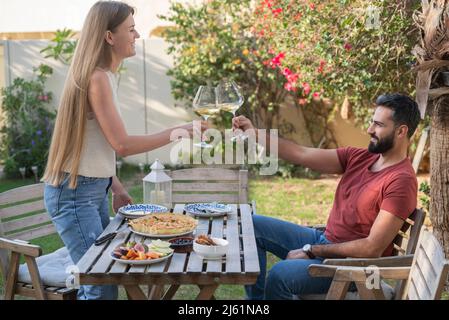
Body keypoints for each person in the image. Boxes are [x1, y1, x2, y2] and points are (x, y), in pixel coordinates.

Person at [42, 1, 206, 300]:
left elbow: (95, 143)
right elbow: (123, 145)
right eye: (130, 29)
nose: (137, 35)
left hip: (89, 189)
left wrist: (114, 184)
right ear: (109, 37)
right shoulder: (98, 78)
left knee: (109, 277)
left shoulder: (104, 76)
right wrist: (181, 131)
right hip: (75, 195)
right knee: (100, 284)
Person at [232, 93, 421, 300]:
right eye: (371, 122)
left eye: (378, 125)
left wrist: (311, 250)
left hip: (353, 268)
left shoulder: (401, 181)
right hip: (327, 242)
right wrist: (255, 134)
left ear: (401, 131)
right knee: (250, 225)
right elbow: (301, 154)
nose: (369, 130)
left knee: (279, 275)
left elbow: (371, 247)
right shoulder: (359, 157)